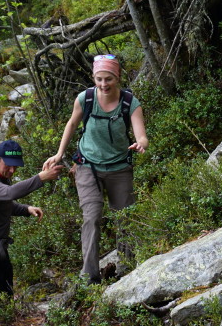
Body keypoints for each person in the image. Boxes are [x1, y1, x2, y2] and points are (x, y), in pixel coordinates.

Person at [44, 54, 148, 283]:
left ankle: (129, 269)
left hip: (119, 167)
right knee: (92, 217)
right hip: (87, 166)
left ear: (117, 77)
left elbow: (141, 134)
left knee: (125, 219)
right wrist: (60, 153)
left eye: (108, 79)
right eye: (99, 79)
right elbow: (71, 124)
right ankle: (89, 277)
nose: (103, 84)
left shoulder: (130, 103)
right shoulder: (85, 99)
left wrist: (140, 143)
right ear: (94, 78)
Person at [0, 139, 63, 298]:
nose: (12, 170)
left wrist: (26, 209)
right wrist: (41, 178)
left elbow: (4, 203)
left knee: (7, 297)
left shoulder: (1, 178)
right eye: (8, 165)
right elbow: (10, 193)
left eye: (15, 166)